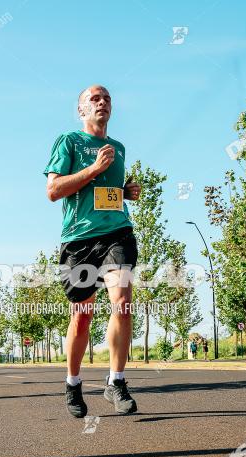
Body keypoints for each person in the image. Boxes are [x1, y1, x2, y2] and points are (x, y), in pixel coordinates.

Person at [44, 84, 141, 418]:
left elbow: (104, 193)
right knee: (82, 316)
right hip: (79, 238)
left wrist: (124, 192)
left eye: (107, 99)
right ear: (81, 110)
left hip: (117, 232)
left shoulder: (119, 148)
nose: (102, 103)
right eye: (94, 99)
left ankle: (117, 381)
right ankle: (73, 382)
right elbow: (54, 190)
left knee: (123, 302)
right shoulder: (69, 141)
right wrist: (95, 170)